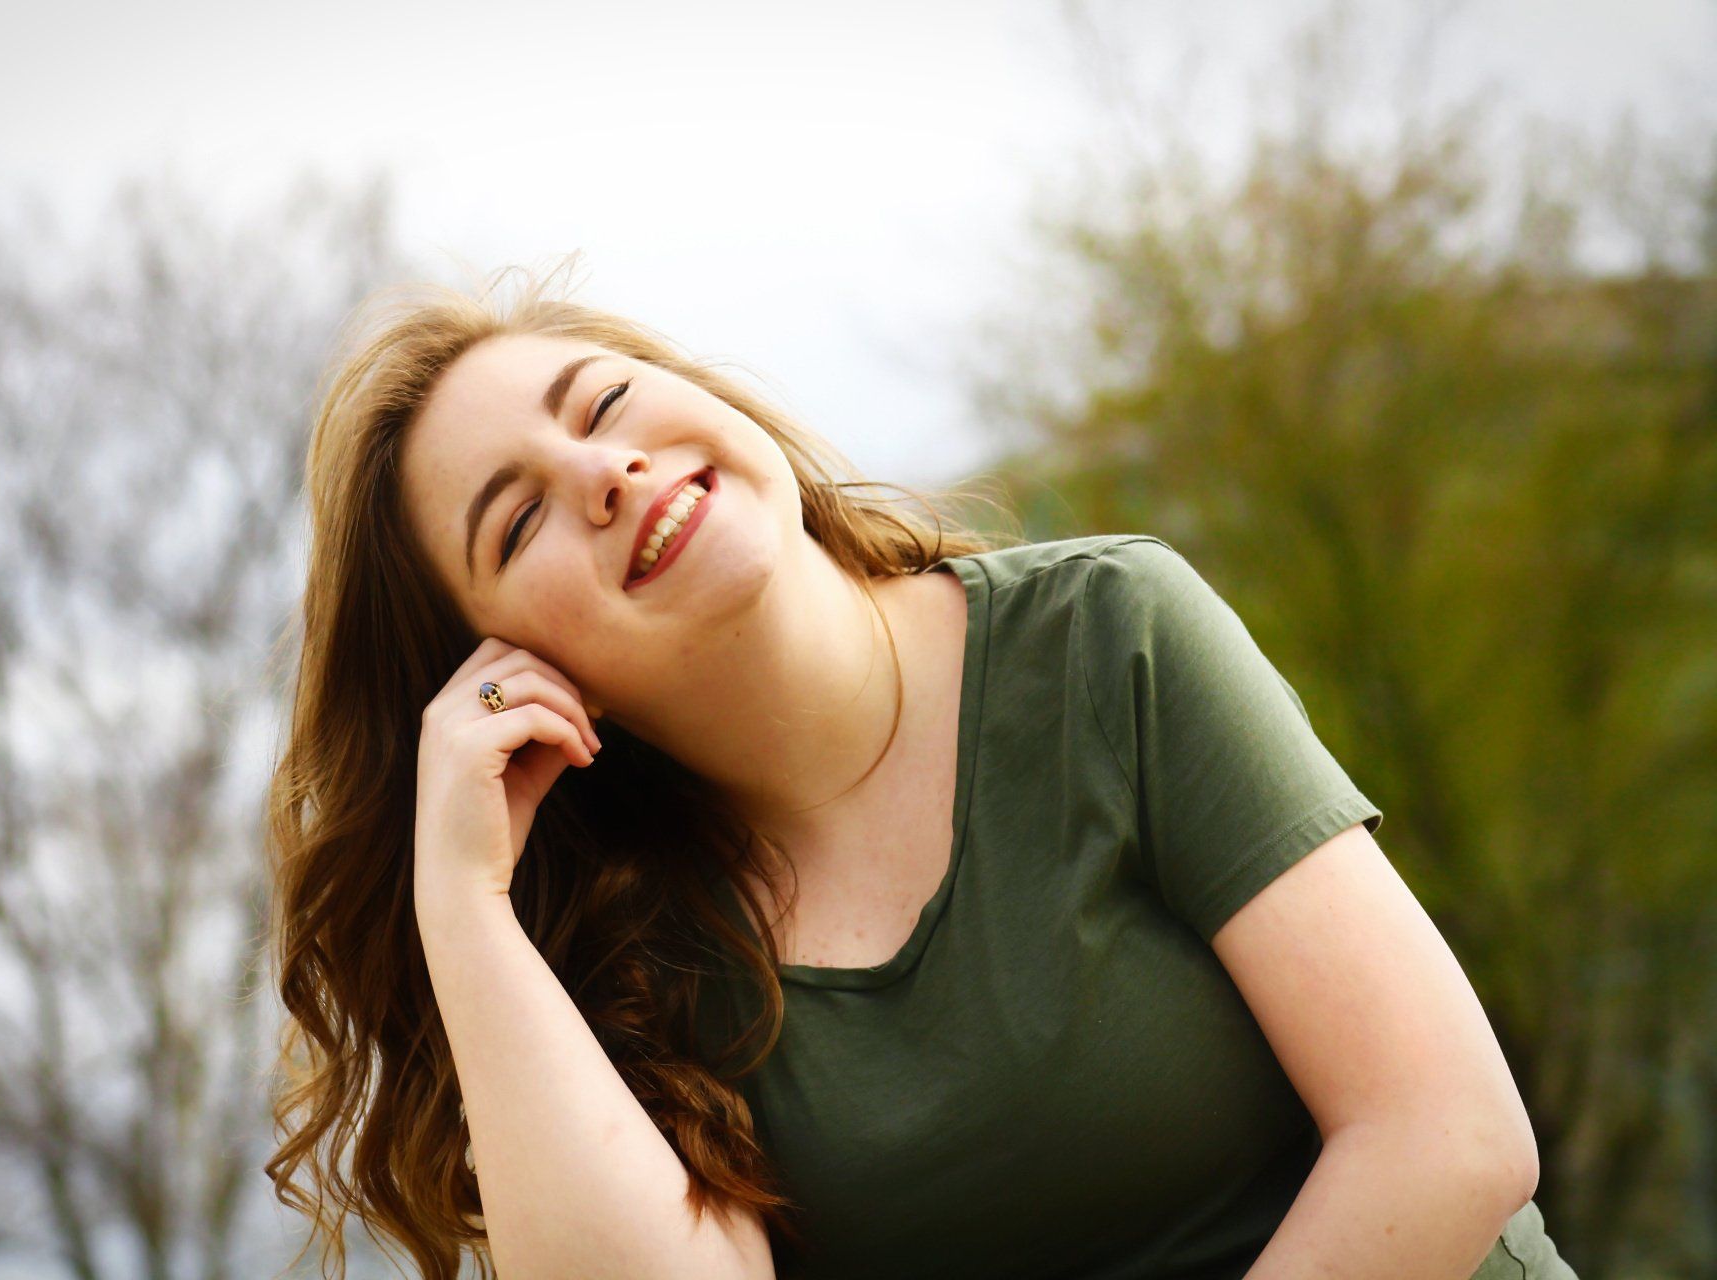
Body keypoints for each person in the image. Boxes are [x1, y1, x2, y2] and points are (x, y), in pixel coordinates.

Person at [263, 262, 1578, 1280]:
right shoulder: (619, 959)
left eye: (603, 403)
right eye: (522, 516)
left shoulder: (1108, 635)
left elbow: (1448, 1138)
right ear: (507, 667)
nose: (603, 472)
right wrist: (465, 906)